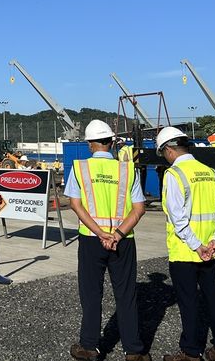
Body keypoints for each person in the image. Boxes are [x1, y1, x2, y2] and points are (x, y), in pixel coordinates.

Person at [65, 120, 148, 361]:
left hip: (92, 239)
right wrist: (118, 234)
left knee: (91, 294)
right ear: (112, 142)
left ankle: (89, 346)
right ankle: (134, 351)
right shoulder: (127, 169)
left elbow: (75, 204)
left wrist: (101, 233)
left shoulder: (80, 168)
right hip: (124, 240)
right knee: (126, 295)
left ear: (90, 144)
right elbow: (139, 209)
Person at [156, 127, 215, 361]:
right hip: (210, 251)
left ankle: (191, 352)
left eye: (164, 153)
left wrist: (196, 245)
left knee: (188, 302)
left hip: (185, 252)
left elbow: (177, 218)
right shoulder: (210, 172)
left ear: (169, 150)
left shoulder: (174, 175)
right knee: (214, 298)